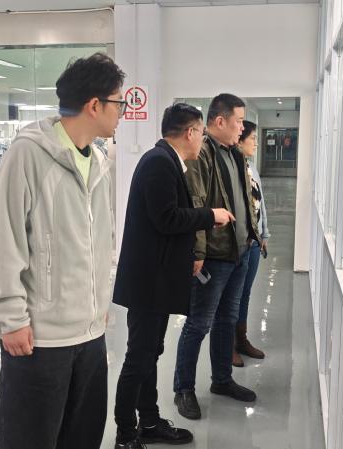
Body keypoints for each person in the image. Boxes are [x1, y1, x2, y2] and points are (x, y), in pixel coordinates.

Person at [0, 52, 125, 449]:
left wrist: (99, 303)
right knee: (29, 438)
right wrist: (10, 318)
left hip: (90, 334)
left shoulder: (99, 162)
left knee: (82, 436)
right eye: (119, 102)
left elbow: (99, 242)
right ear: (94, 105)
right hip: (39, 339)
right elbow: (1, 237)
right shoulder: (29, 154)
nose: (122, 112)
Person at [112, 103, 235, 448]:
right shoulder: (158, 163)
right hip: (148, 284)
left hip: (157, 281)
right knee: (139, 358)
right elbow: (166, 218)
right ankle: (126, 434)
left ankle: (149, 422)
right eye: (202, 134)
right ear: (191, 132)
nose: (203, 141)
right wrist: (209, 215)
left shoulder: (166, 161)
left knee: (150, 354)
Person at [173, 93, 261, 420]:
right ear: (220, 121)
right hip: (214, 255)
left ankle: (222, 379)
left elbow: (245, 200)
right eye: (239, 121)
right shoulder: (202, 154)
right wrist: (197, 251)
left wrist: (253, 236)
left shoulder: (235, 154)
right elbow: (196, 204)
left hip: (239, 251)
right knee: (199, 323)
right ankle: (183, 389)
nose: (242, 128)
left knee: (227, 319)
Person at [232, 120, 270, 368]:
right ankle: (228, 345)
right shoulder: (232, 167)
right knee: (231, 297)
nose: (256, 143)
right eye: (253, 138)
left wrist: (264, 234)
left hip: (254, 242)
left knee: (244, 293)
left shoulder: (252, 167)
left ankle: (241, 339)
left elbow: (260, 203)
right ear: (240, 140)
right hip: (238, 244)